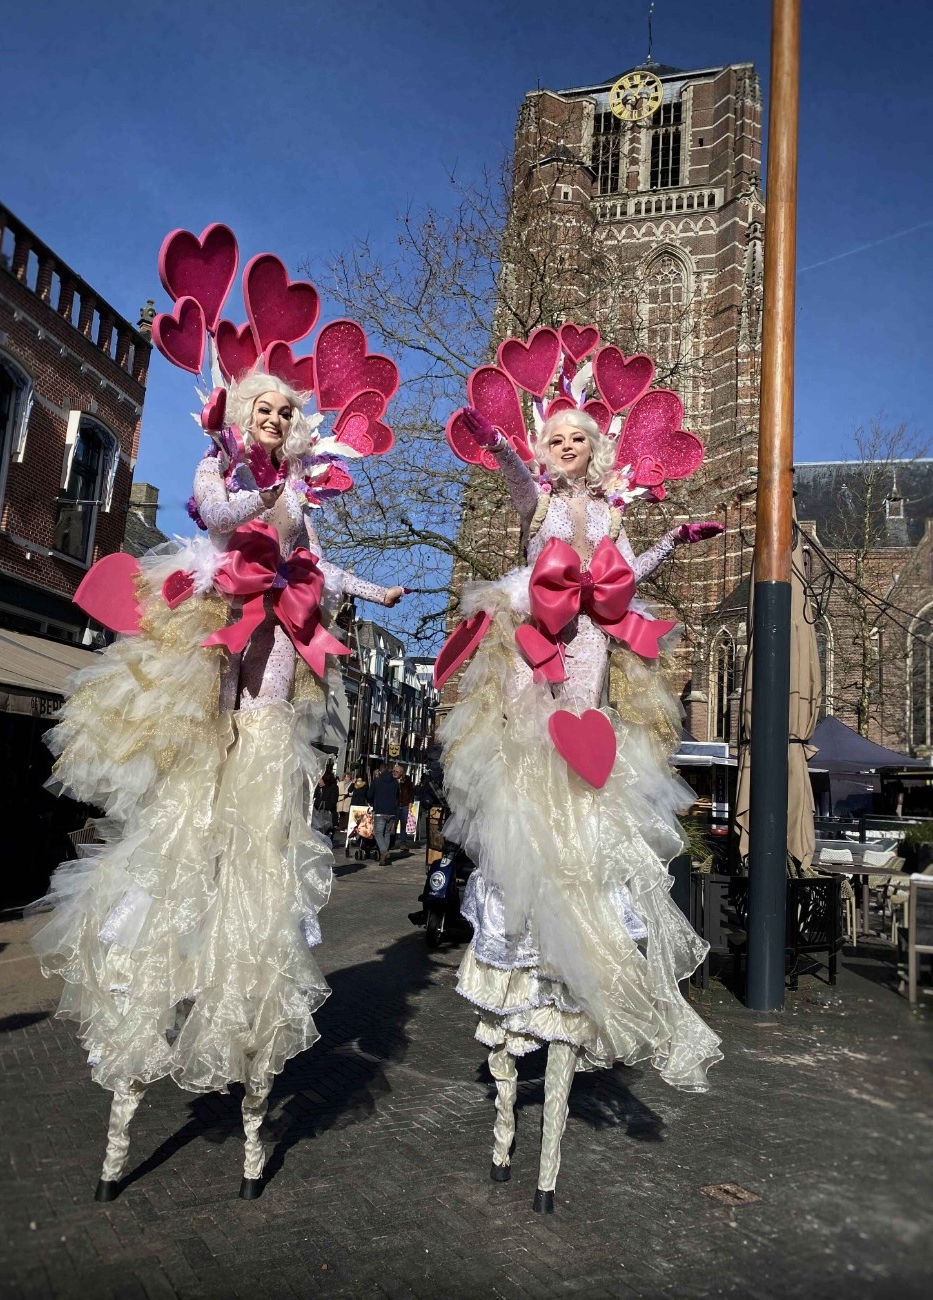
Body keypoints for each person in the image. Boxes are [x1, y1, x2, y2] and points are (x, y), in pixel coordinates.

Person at [28, 245, 406, 1205]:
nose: (274, 420)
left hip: (278, 628)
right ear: (241, 416)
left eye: (285, 413)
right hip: (215, 609)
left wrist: (372, 591)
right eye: (263, 410)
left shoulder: (298, 493)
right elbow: (213, 509)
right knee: (201, 720)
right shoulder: (225, 465)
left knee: (270, 728)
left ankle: (250, 818)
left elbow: (313, 562)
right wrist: (264, 489)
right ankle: (200, 781)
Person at [437, 355, 725, 1212]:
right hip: (537, 654)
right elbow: (516, 480)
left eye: (576, 438)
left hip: (592, 652)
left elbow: (626, 577)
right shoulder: (535, 500)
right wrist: (498, 442)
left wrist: (672, 542)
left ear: (593, 449)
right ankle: (508, 1089)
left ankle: (576, 972)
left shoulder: (608, 509)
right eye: (555, 437)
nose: (565, 446)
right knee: (530, 787)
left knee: (588, 777)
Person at [367, 763, 400, 865]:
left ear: (380, 771)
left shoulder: (377, 781)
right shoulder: (395, 782)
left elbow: (369, 795)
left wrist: (371, 801)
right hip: (392, 811)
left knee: (378, 833)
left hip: (380, 811)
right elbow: (397, 796)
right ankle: (383, 858)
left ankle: (384, 851)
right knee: (386, 833)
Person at [393, 764, 414, 848]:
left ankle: (403, 843)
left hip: (404, 804)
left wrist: (410, 802)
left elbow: (411, 792)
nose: (394, 773)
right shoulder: (392, 780)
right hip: (395, 805)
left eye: (396, 771)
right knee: (393, 824)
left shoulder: (407, 780)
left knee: (403, 824)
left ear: (401, 773)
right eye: (393, 771)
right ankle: (391, 842)